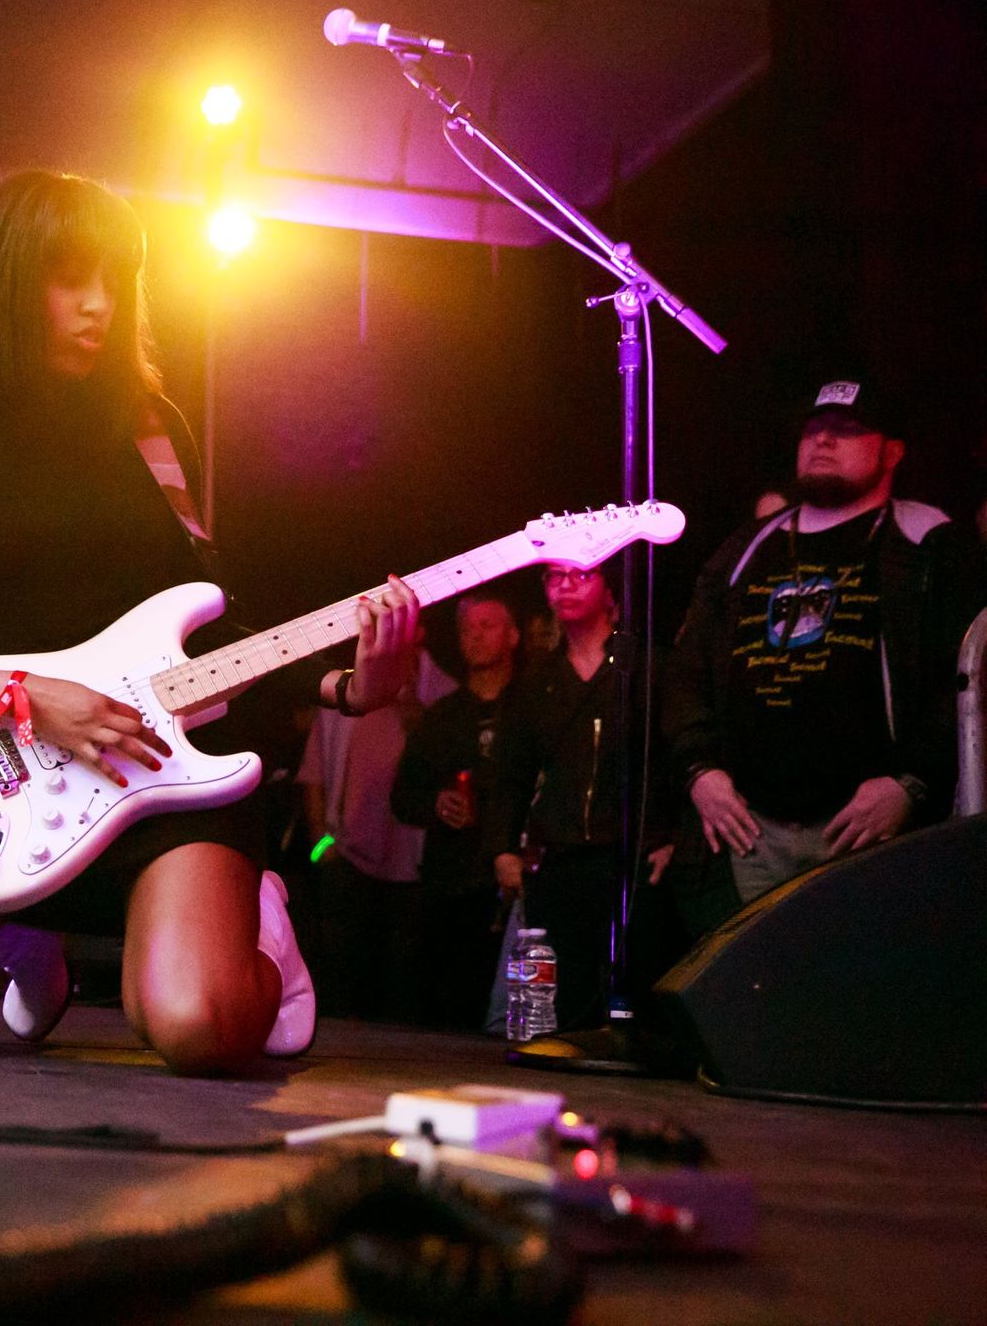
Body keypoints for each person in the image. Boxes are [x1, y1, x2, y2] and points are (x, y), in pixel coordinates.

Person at [0, 171, 419, 1074]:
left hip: (160, 787)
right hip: (4, 793)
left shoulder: (150, 430)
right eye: (72, 279)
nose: (100, 306)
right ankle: (11, 935)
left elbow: (213, 635)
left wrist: (347, 688)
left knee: (196, 1027)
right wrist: (26, 697)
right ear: (3, 280)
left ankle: (264, 937)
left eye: (116, 280)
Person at [662, 378, 983, 907]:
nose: (823, 440)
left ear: (893, 450)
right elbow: (686, 671)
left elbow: (964, 677)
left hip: (871, 833)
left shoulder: (929, 543)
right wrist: (699, 771)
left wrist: (912, 784)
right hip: (751, 834)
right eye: (814, 429)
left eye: (847, 430)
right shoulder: (745, 548)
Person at [484, 561, 672, 1034]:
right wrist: (503, 847)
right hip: (560, 856)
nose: (564, 586)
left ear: (611, 589)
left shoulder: (645, 668)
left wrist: (671, 836)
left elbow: (674, 758)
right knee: (558, 1000)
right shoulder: (536, 683)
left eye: (580, 575)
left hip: (632, 857)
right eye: (553, 577)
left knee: (629, 998)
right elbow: (511, 773)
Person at [392, 591, 521, 1029]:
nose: (475, 636)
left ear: (513, 635)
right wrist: (435, 802)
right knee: (450, 1019)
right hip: (451, 890)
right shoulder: (443, 716)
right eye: (467, 629)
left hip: (514, 888)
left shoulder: (533, 706)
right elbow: (402, 796)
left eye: (487, 625)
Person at [299, 685, 425, 1022]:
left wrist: (418, 714)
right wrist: (319, 841)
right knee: (341, 960)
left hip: (409, 864)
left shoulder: (433, 692)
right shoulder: (343, 695)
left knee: (398, 970)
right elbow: (313, 772)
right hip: (343, 852)